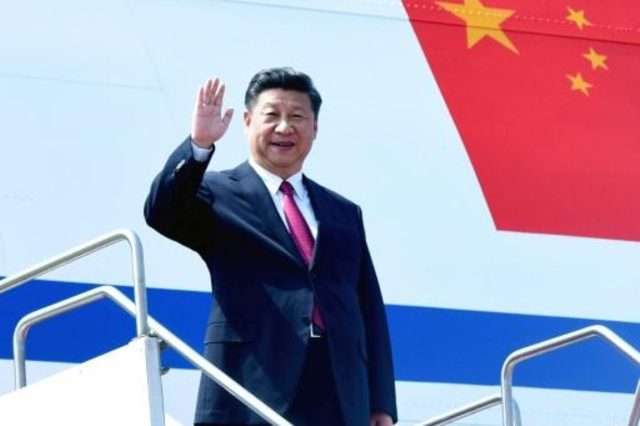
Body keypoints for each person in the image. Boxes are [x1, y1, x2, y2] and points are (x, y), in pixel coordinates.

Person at [145, 67, 397, 426]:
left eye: (297, 117)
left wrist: (380, 402)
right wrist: (199, 145)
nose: (284, 127)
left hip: (340, 392)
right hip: (252, 386)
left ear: (315, 128)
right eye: (272, 115)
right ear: (247, 122)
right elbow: (162, 212)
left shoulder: (343, 212)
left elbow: (368, 308)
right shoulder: (217, 192)